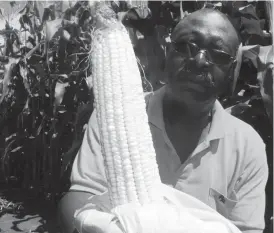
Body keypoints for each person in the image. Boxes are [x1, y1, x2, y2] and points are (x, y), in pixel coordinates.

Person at [58, 8, 269, 233]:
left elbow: (246, 228)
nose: (199, 61)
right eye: (188, 46)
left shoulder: (247, 146)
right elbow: (80, 196)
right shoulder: (108, 120)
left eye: (218, 54)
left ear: (231, 70)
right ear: (167, 52)